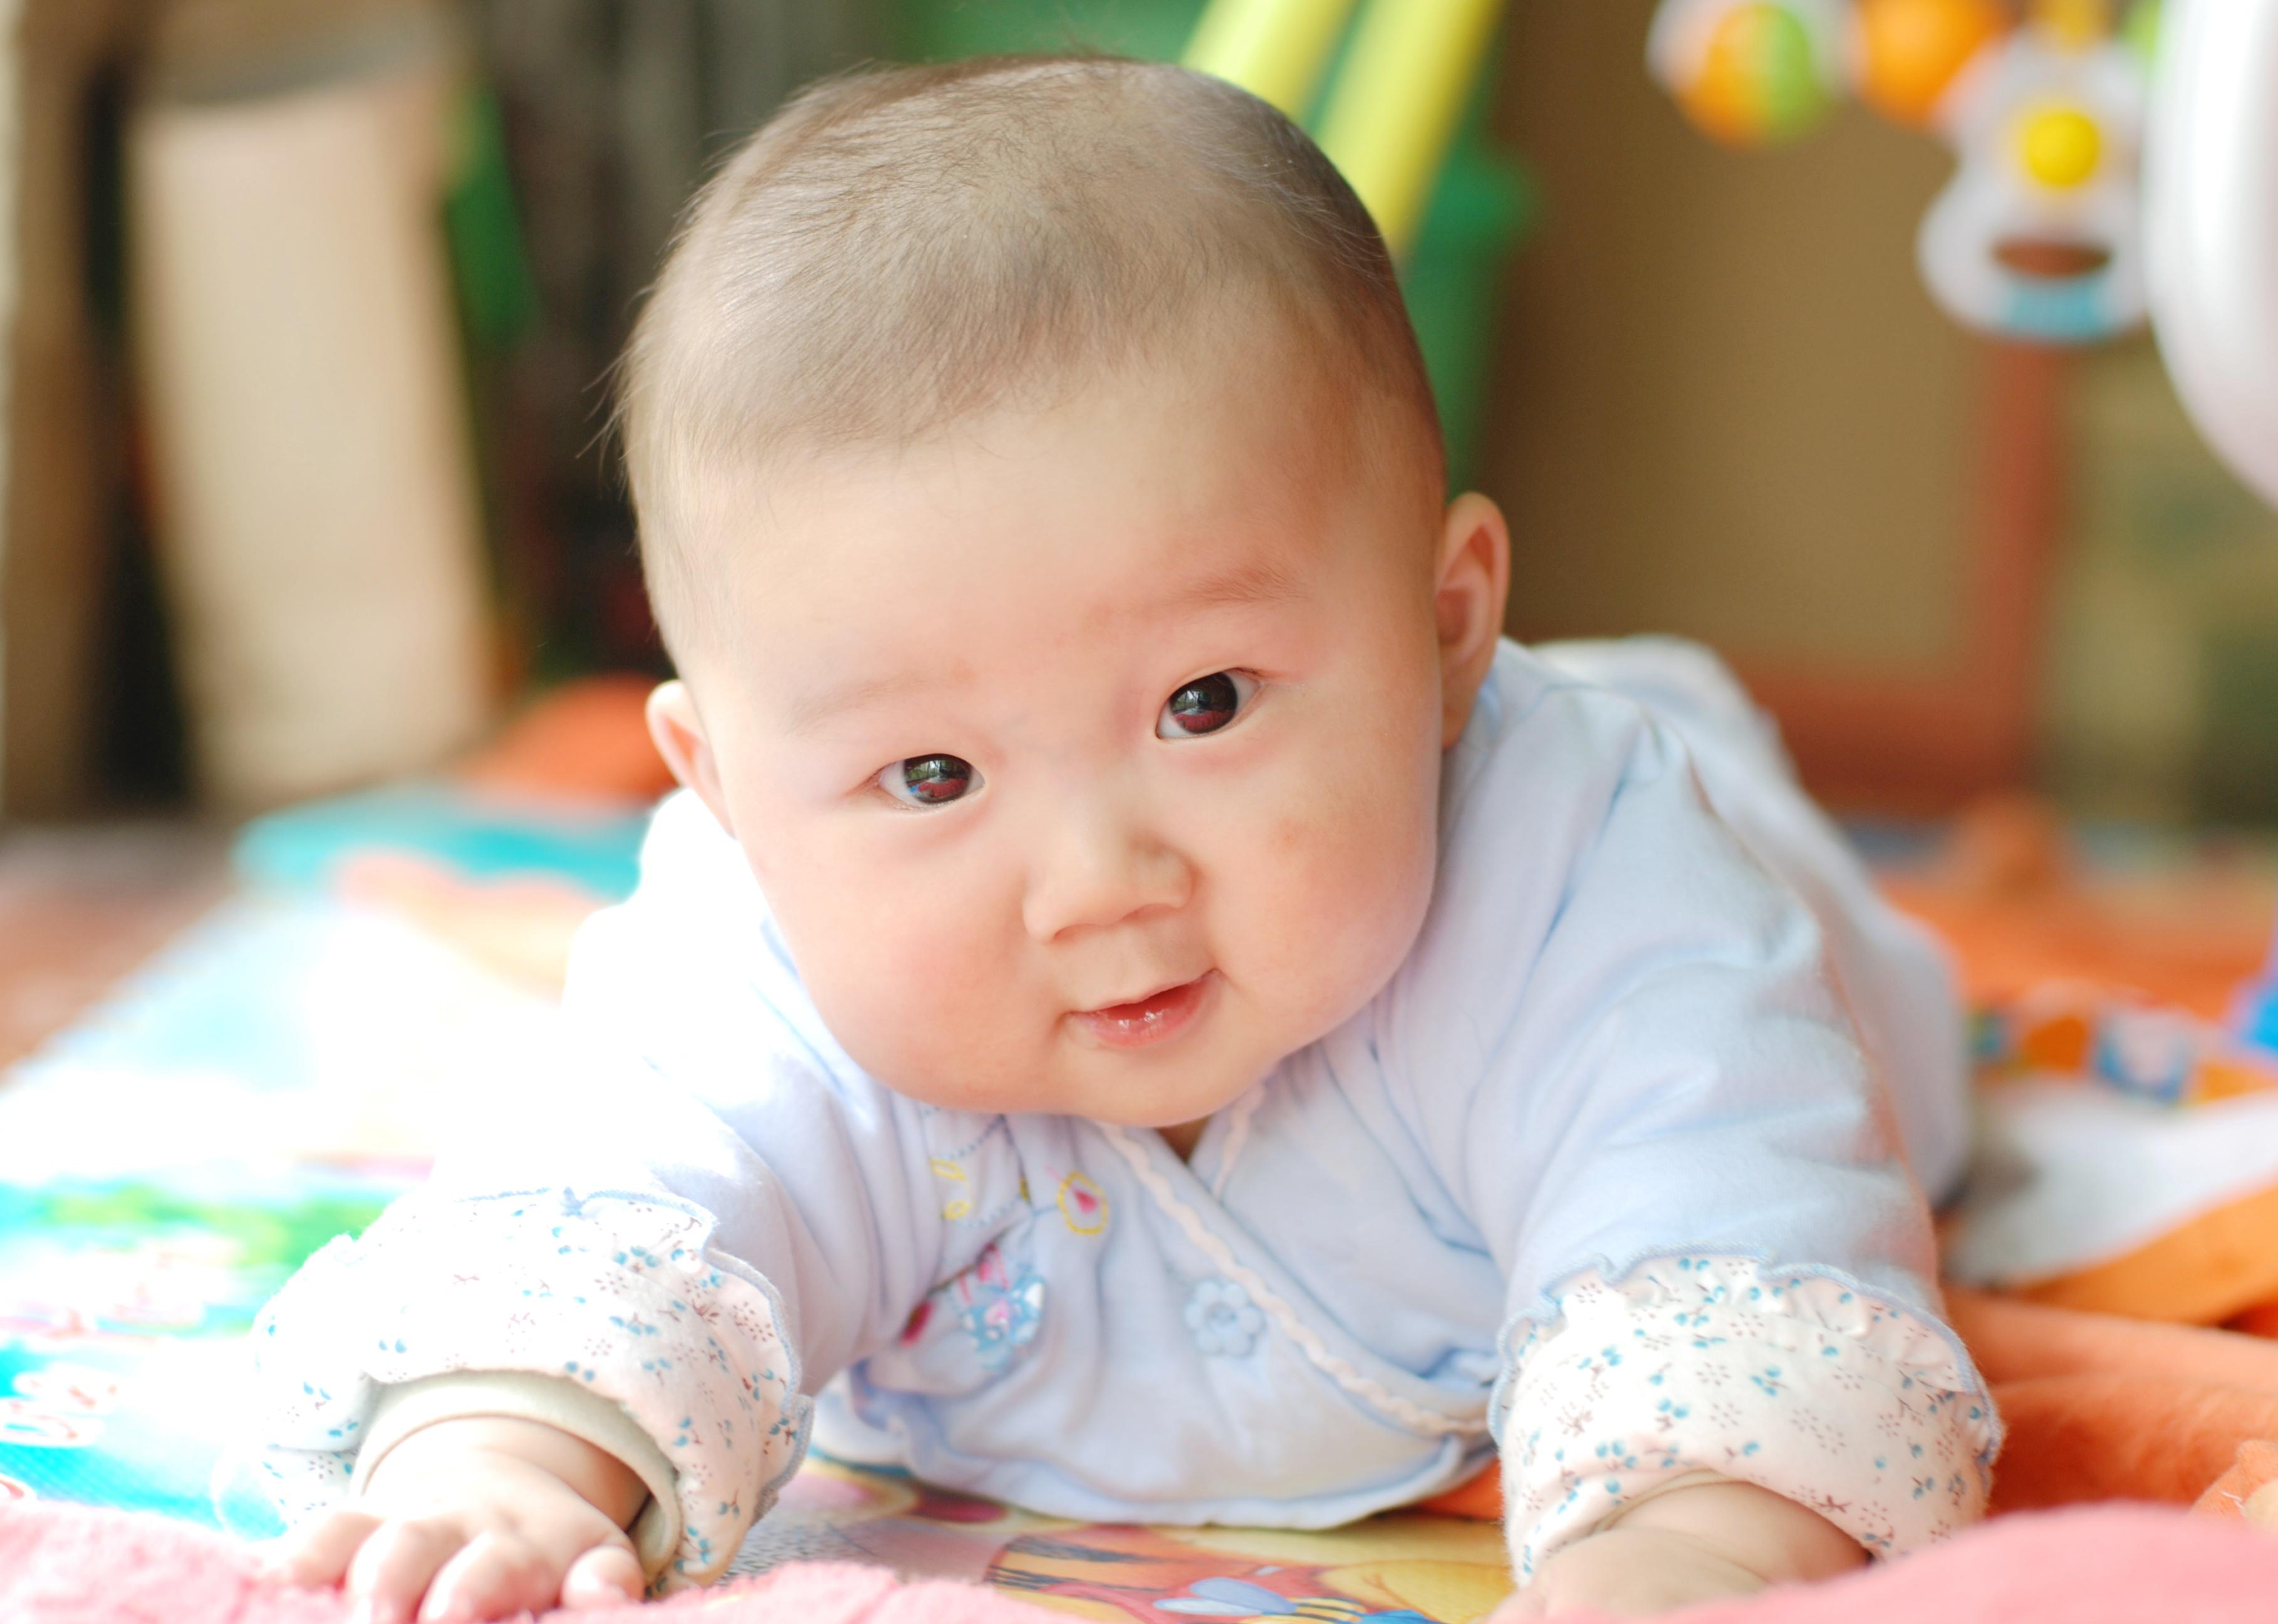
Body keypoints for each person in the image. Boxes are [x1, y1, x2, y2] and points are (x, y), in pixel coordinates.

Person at [249, 56, 1995, 1623]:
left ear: (1447, 623)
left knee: (1849, 1035)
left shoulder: (1579, 876)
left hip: (1725, 874)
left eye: (1207, 701)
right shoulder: (760, 947)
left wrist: (1688, 1542)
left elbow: (1723, 1218)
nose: (1099, 884)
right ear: (725, 793)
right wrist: (503, 1456)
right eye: (932, 779)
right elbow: (616, 1205)